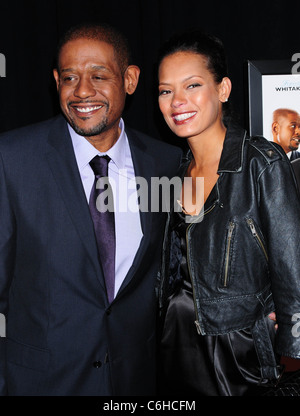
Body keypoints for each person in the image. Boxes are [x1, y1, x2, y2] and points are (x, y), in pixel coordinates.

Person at [0, 23, 182, 396]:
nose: (82, 91)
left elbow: (177, 271)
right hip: (39, 383)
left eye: (98, 76)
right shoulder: (13, 158)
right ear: (56, 80)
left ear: (130, 80)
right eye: (69, 77)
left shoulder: (165, 163)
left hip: (134, 383)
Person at [156, 30, 300, 396]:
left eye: (192, 85)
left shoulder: (261, 163)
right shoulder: (174, 173)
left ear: (223, 90)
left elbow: (293, 274)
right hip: (174, 349)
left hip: (239, 358)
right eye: (165, 90)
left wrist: (292, 351)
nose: (177, 101)